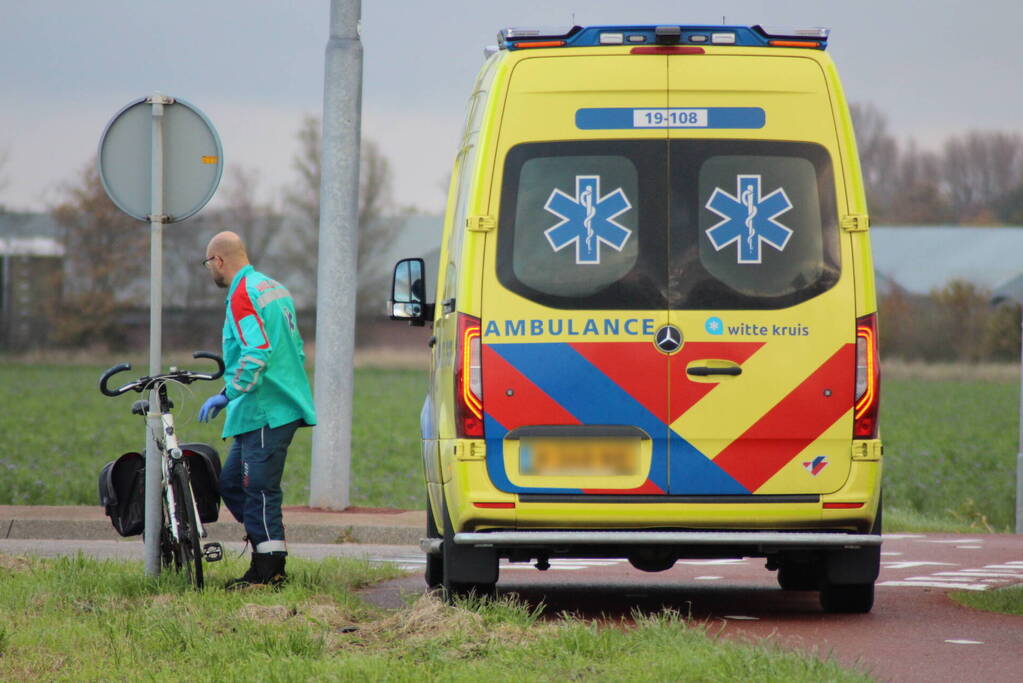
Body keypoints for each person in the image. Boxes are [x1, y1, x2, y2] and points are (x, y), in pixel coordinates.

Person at [198, 231, 316, 589]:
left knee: (260, 489)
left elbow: (257, 351)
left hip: (267, 407)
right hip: (268, 405)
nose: (210, 271)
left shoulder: (242, 295)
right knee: (232, 483)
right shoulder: (273, 287)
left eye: (208, 264)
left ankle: (268, 573)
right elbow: (294, 348)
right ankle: (265, 551)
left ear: (218, 260)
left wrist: (228, 393)